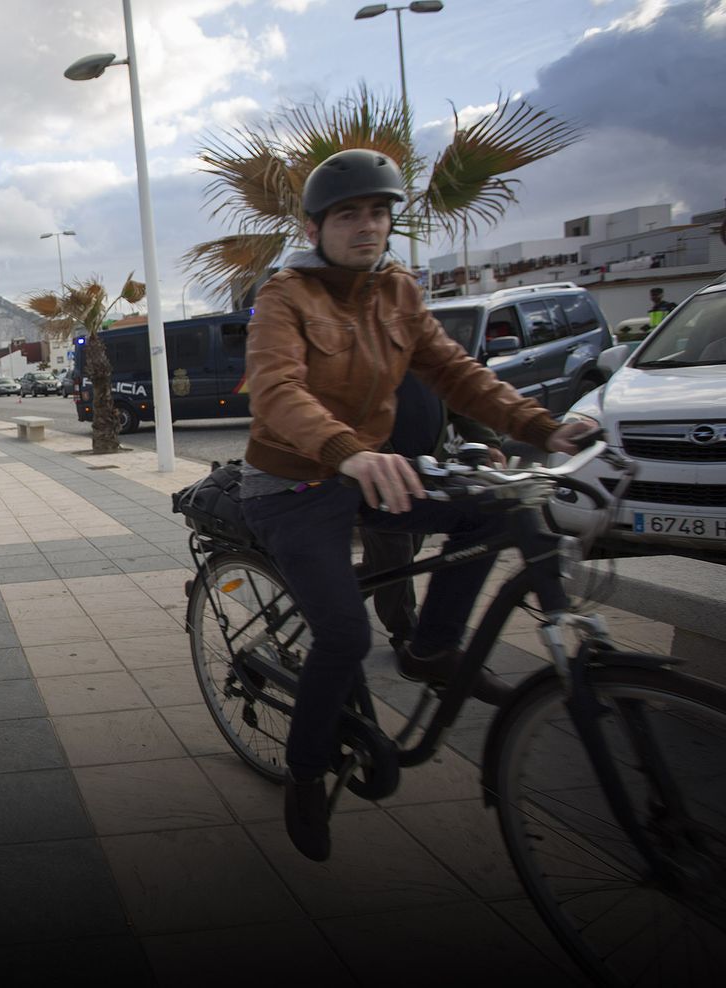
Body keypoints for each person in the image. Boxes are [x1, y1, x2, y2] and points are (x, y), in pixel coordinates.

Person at [237, 149, 593, 863]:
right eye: (348, 215)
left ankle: (430, 650)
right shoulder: (285, 296)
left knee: (492, 511)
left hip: (369, 471)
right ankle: (306, 771)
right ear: (314, 228)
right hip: (293, 485)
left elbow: (455, 371)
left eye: (379, 212)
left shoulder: (397, 289)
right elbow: (276, 389)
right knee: (345, 636)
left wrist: (541, 427)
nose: (367, 226)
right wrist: (347, 451)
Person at [361, 373, 511, 706]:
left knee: (390, 562)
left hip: (424, 471)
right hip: (377, 477)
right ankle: (411, 637)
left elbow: (458, 393)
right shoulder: (365, 349)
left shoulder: (421, 351)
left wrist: (488, 440)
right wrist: (369, 455)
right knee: (394, 554)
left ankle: (333, 591)